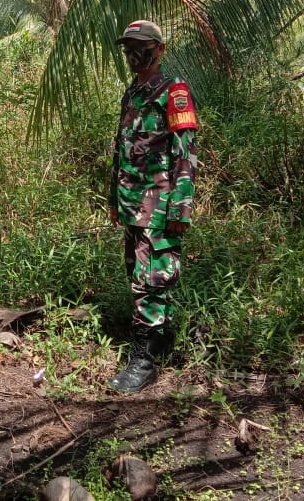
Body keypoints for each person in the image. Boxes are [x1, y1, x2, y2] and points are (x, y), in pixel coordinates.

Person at [107, 20, 198, 393]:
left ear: (160, 49)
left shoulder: (172, 91)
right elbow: (121, 148)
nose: (134, 53)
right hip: (132, 203)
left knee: (150, 278)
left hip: (159, 204)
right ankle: (161, 338)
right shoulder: (133, 93)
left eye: (142, 45)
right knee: (140, 273)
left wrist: (181, 207)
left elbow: (185, 152)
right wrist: (113, 199)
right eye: (129, 46)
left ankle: (144, 362)